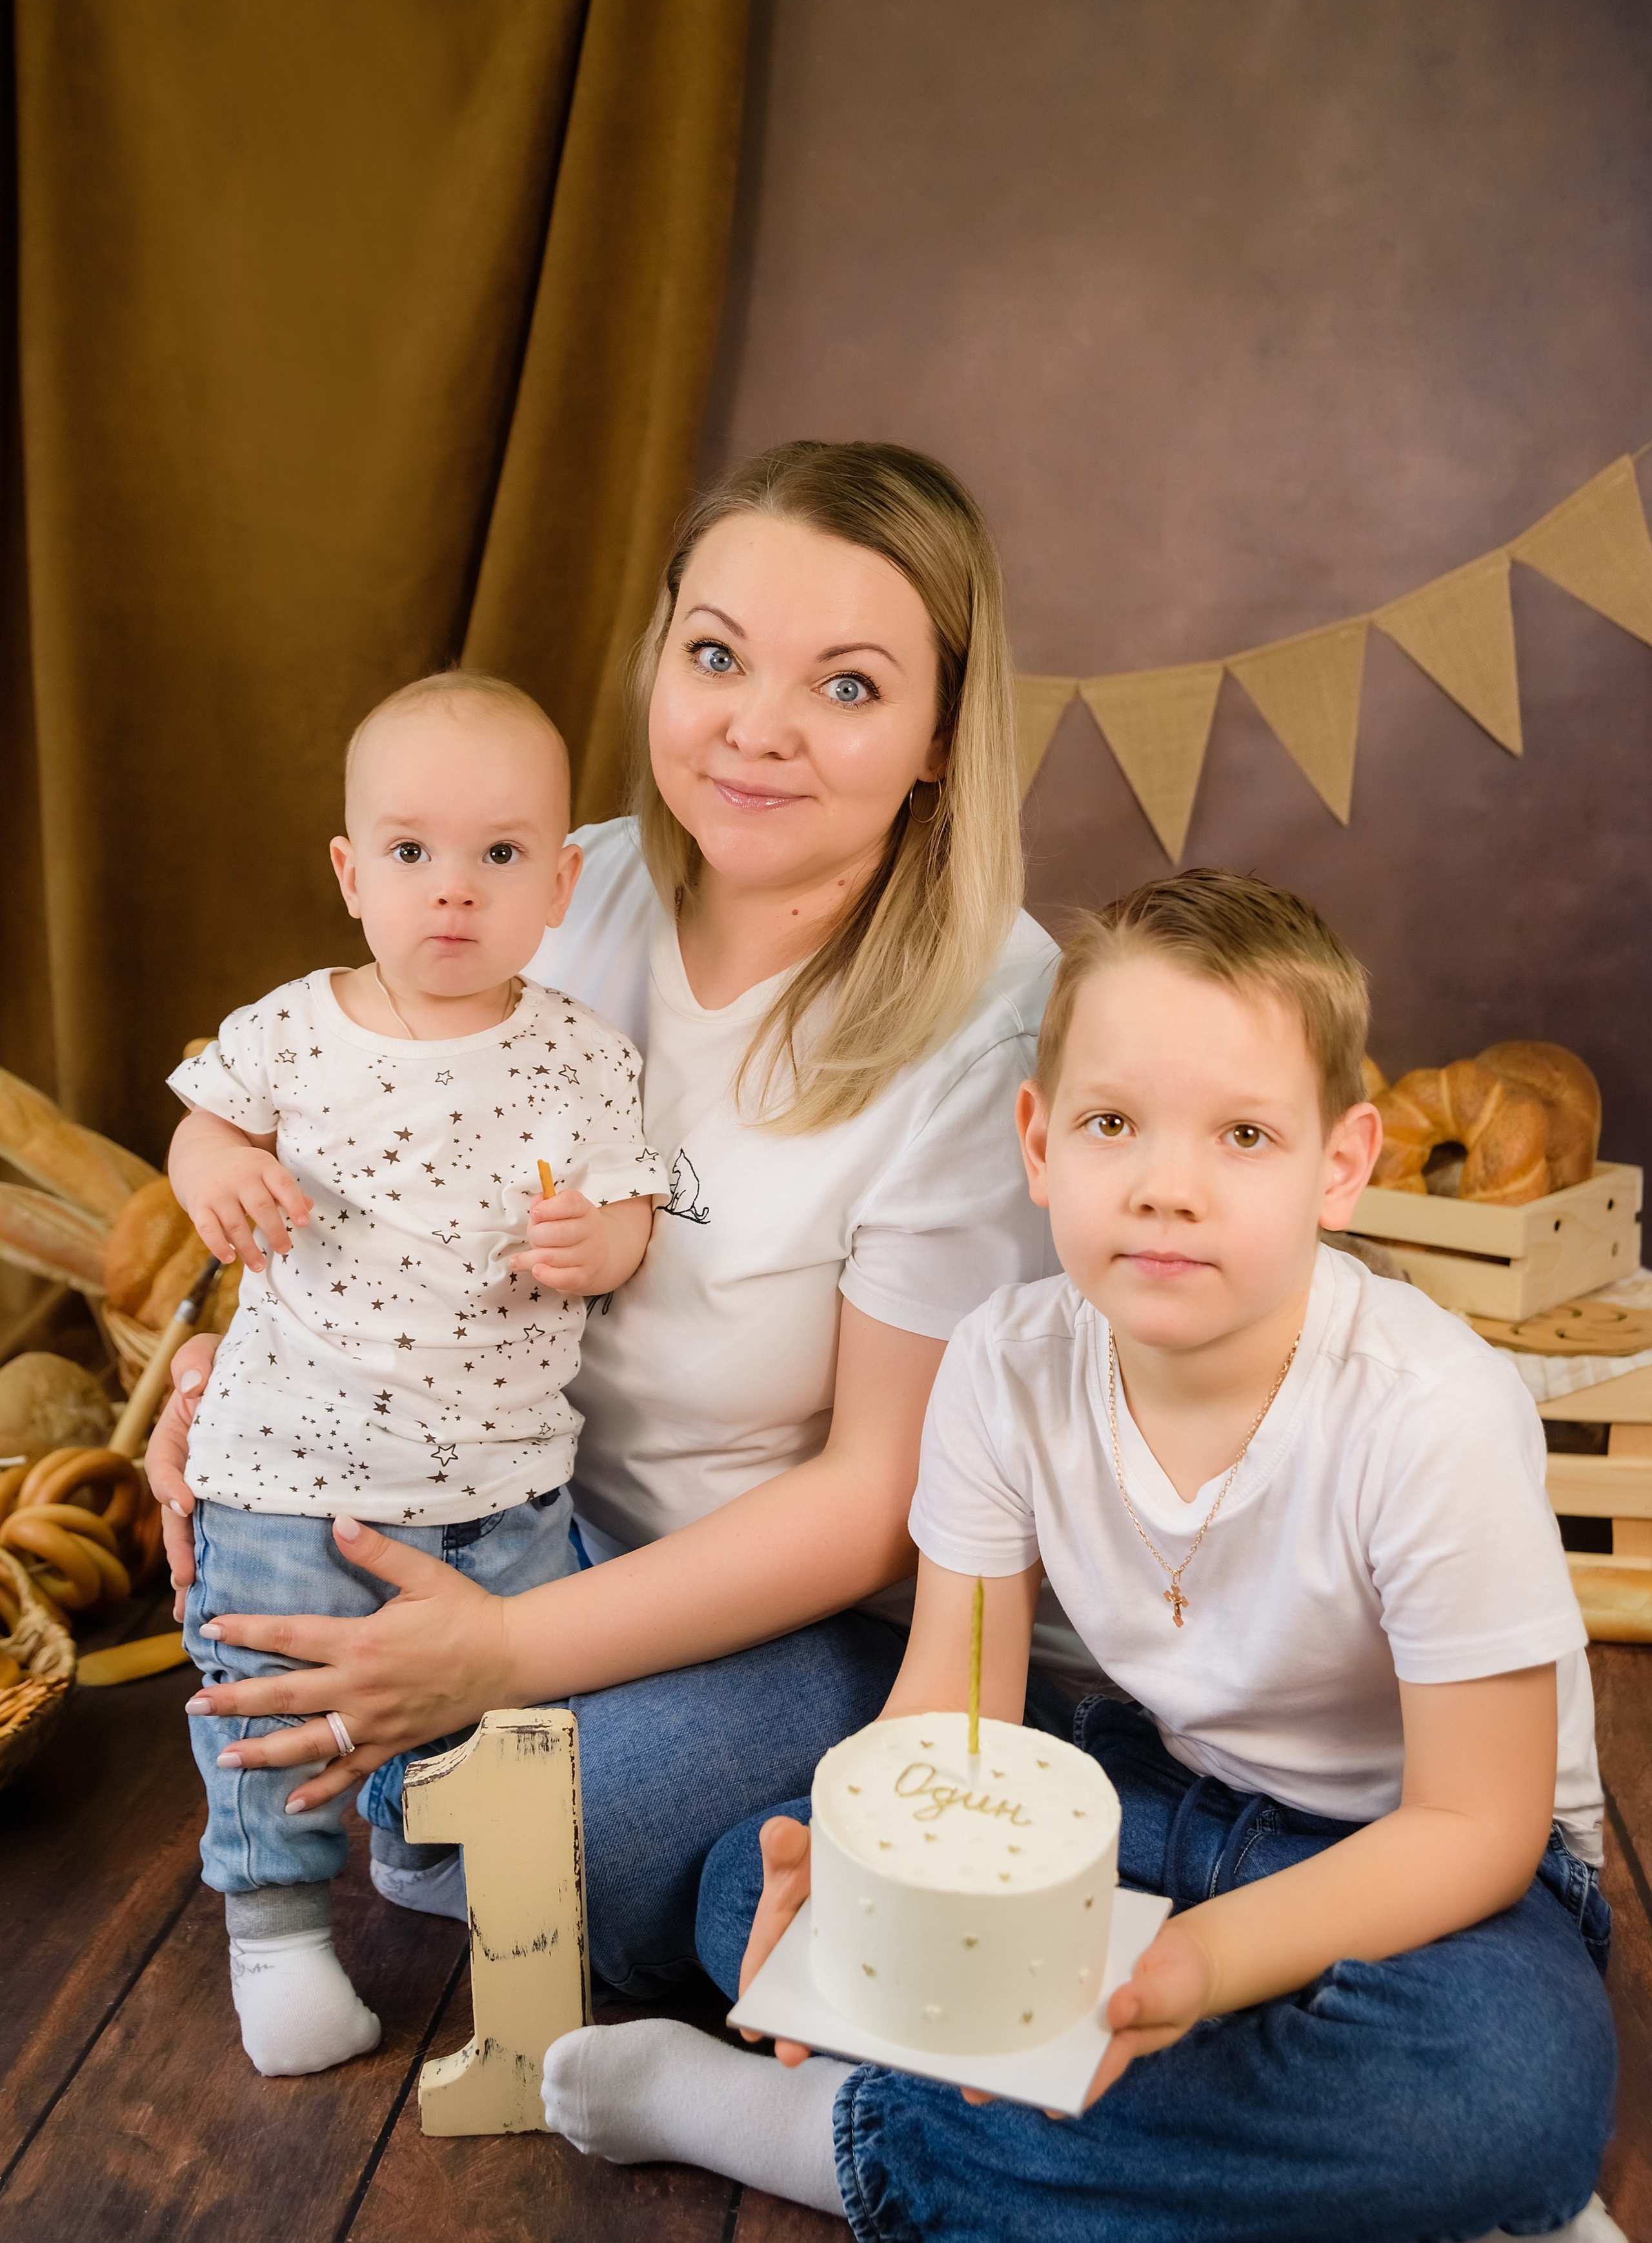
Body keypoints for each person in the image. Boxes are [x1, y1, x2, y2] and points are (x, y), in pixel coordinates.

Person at [539, 869, 1619, 2243]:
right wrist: (871, 1868)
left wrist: (1199, 1962)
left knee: (1505, 2094)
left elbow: (1475, 1825)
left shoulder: (1427, 1411)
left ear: (1337, 1166)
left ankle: (818, 2136)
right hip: (1154, 1800)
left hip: (1428, 1873)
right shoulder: (1007, 1360)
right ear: (1039, 1144)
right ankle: (1352, 2189)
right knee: (754, 1896)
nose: (1166, 1189)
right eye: (1114, 1124)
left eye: (1240, 1135)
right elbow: (959, 1706)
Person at [152, 440, 1063, 1996]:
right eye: (714, 655)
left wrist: (498, 1656)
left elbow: (873, 1497)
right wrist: (239, 1396)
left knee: (465, 1828)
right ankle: (732, 1891)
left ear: (935, 736)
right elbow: (355, 1162)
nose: (753, 731)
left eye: (845, 686)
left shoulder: (991, 1021)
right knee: (323, 1711)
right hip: (497, 1511)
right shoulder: (551, 890)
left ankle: (739, 1849)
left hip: (792, 1607)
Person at [165, 671, 661, 2075]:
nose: (453, 891)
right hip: (283, 1472)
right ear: (349, 872)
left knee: (518, 1735)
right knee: (268, 1713)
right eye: (410, 852)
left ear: (561, 880)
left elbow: (630, 1213)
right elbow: (199, 1132)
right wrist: (225, 1174)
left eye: (499, 855)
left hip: (501, 1480)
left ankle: (510, 1965)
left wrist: (598, 1242)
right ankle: (275, 1932)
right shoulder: (290, 1026)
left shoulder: (581, 1055)